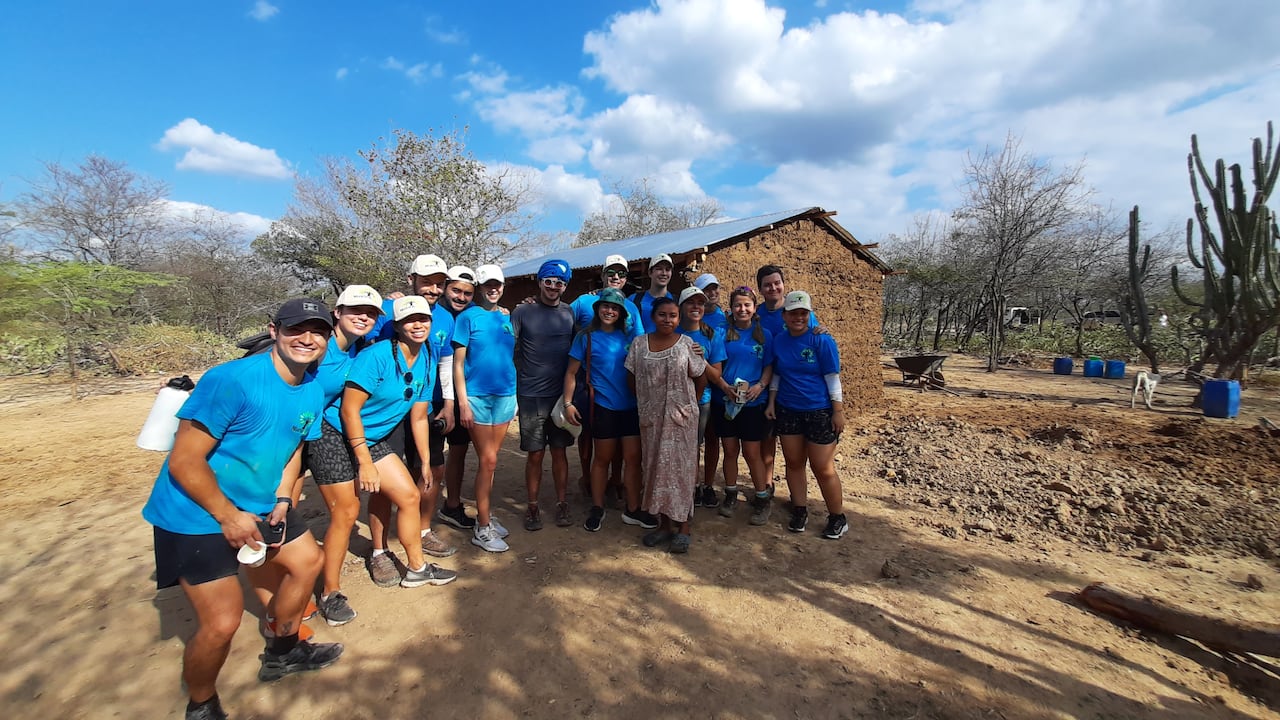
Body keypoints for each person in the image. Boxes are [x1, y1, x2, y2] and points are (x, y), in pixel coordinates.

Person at [142, 298, 342, 720]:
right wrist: (227, 516)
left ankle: (283, 651)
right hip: (195, 513)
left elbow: (295, 446)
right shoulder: (231, 380)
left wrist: (285, 496)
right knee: (222, 623)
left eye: (318, 332)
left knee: (307, 562)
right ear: (273, 331)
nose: (307, 339)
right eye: (295, 329)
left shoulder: (311, 387)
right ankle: (201, 704)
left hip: (261, 503)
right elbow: (184, 460)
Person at [312, 295, 458, 616]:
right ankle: (330, 592)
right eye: (409, 320)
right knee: (347, 513)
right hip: (334, 433)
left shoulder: (429, 356)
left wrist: (424, 462)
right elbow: (349, 410)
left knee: (408, 496)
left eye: (424, 319)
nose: (418, 325)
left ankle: (417, 569)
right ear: (397, 326)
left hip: (372, 436)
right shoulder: (375, 356)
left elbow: (419, 416)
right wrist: (364, 461)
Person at [366, 255, 459, 585]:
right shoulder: (389, 314)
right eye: (427, 280)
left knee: (432, 470)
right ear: (411, 279)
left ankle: (422, 529)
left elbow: (446, 362)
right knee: (383, 483)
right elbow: (366, 350)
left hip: (427, 407)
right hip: (387, 413)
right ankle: (379, 551)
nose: (433, 288)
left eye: (438, 282)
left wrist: (448, 405)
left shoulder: (445, 318)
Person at [301, 285, 390, 622]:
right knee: (284, 512)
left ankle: (328, 591)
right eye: (355, 310)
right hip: (292, 436)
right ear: (336, 312)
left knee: (347, 510)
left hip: (325, 431)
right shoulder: (318, 348)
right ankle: (290, 591)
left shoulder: (359, 351)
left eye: (370, 313)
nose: (363, 317)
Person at [563, 288, 654, 532]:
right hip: (603, 406)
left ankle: (633, 509)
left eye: (615, 308)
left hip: (632, 407)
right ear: (597, 308)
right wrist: (568, 403)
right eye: (605, 306)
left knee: (633, 460)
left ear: (622, 313)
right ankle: (597, 506)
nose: (609, 311)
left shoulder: (631, 338)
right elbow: (571, 372)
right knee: (602, 458)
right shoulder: (586, 337)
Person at [626, 298, 707, 553]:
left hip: (682, 421)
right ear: (653, 316)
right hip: (652, 420)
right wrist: (647, 403)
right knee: (655, 469)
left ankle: (683, 527)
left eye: (673, 315)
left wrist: (689, 404)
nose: (668, 320)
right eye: (662, 314)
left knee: (681, 473)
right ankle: (663, 526)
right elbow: (631, 377)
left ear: (679, 318)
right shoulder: (639, 344)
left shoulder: (686, 345)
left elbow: (701, 376)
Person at [765, 290, 848, 539]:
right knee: (793, 463)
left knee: (822, 467)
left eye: (803, 313)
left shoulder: (821, 340)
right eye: (793, 313)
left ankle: (837, 517)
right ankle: (800, 509)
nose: (798, 318)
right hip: (788, 408)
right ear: (785, 315)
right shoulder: (779, 340)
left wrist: (838, 412)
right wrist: (771, 402)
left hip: (819, 411)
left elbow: (832, 378)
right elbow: (777, 375)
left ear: (809, 314)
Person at [568, 253, 642, 505]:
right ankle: (588, 481)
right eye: (611, 272)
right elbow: (559, 317)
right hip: (592, 387)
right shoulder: (582, 302)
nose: (616, 277)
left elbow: (640, 346)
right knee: (590, 438)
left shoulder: (631, 308)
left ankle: (616, 483)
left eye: (621, 273)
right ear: (602, 274)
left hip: (626, 391)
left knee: (621, 448)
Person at [453, 264, 517, 552]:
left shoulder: (507, 318)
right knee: (488, 461)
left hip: (505, 396)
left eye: (498, 285)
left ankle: (486, 515)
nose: (494, 289)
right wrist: (463, 402)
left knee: (489, 463)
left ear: (503, 287)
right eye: (488, 284)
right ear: (480, 286)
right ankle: (481, 527)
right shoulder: (467, 318)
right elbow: (457, 364)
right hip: (477, 398)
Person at [512, 259, 577, 531]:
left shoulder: (570, 313)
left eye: (559, 283)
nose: (553, 287)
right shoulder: (522, 312)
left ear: (565, 286)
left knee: (560, 452)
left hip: (559, 397)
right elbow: (508, 347)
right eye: (548, 281)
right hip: (531, 395)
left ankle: (562, 503)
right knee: (535, 454)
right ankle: (533, 506)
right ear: (539, 282)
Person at [755, 264, 821, 494]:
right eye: (767, 285)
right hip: (766, 386)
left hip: (794, 389)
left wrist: (823, 331)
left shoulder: (799, 312)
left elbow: (815, 338)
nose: (773, 287)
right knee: (767, 438)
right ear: (760, 290)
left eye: (776, 283)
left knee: (797, 450)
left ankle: (799, 494)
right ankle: (768, 482)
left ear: (783, 284)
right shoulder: (757, 315)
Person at [712, 286, 775, 524]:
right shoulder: (720, 332)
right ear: (731, 308)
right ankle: (730, 494)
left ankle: (761, 499)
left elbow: (769, 365)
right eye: (738, 305)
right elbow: (712, 361)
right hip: (725, 402)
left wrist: (760, 385)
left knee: (752, 453)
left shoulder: (764, 334)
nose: (742, 309)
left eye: (747, 305)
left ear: (754, 308)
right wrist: (723, 387)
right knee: (729, 451)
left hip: (752, 403)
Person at [675, 286, 731, 511]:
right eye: (691, 302)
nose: (696, 307)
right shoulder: (672, 331)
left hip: (701, 401)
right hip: (675, 400)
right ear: (682, 306)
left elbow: (716, 375)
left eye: (700, 303)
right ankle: (686, 486)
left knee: (698, 445)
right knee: (681, 447)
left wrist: (701, 359)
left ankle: (702, 486)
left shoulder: (710, 336)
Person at [436, 266, 482, 532]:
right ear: (445, 287)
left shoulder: (473, 313)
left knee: (457, 452)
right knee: (426, 459)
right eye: (456, 290)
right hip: (426, 396)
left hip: (460, 393)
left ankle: (451, 505)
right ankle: (418, 514)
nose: (461, 297)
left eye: (467, 293)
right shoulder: (429, 311)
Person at [631, 253, 675, 334]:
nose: (664, 273)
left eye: (667, 269)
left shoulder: (676, 301)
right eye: (659, 269)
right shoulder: (634, 300)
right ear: (650, 273)